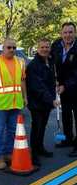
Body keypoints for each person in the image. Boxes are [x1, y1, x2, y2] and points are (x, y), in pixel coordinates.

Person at [0, 38, 27, 170]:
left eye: (14, 48)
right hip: (0, 104)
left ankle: (8, 154)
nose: (12, 50)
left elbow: (22, 81)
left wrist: (25, 97)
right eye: (9, 47)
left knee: (13, 131)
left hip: (16, 103)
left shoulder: (21, 62)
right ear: (3, 48)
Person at [26, 38, 60, 166]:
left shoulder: (50, 61)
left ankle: (40, 148)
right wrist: (51, 100)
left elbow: (51, 80)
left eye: (47, 47)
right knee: (37, 127)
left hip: (46, 102)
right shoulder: (33, 66)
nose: (45, 49)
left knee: (43, 127)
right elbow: (38, 87)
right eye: (42, 47)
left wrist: (56, 85)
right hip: (36, 103)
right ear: (38, 48)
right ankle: (34, 154)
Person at [51, 22, 77, 156]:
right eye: (65, 32)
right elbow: (51, 63)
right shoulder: (56, 45)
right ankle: (68, 138)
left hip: (74, 87)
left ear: (75, 33)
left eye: (70, 32)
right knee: (66, 115)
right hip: (63, 89)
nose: (68, 35)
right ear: (61, 33)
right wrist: (54, 80)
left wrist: (64, 85)